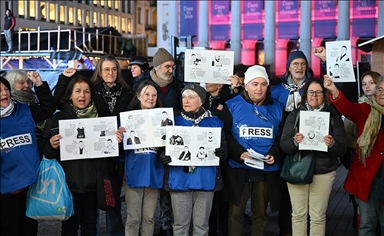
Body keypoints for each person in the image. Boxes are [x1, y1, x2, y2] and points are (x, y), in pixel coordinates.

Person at [54, 56, 133, 236]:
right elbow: (59, 102)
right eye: (106, 69)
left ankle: (114, 233)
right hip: (95, 155)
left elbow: (133, 118)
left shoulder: (127, 93)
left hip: (118, 153)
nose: (110, 73)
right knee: (92, 204)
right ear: (100, 71)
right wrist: (64, 78)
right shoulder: (92, 91)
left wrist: (126, 130)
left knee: (112, 200)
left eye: (114, 69)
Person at [220, 65, 284, 236]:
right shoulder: (231, 105)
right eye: (254, 84)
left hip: (265, 170)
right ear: (246, 85)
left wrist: (275, 153)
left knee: (260, 215)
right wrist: (238, 152)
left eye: (263, 84)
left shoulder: (278, 107)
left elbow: (282, 136)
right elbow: (224, 134)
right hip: (238, 168)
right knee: (235, 213)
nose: (259, 88)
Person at [280, 79, 347, 236]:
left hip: (324, 171)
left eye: (318, 92)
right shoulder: (295, 115)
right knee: (298, 215)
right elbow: (283, 145)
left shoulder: (333, 117)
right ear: (305, 95)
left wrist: (332, 144)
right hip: (297, 169)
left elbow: (342, 149)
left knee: (318, 217)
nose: (314, 95)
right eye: (311, 92)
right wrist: (294, 142)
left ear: (324, 95)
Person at [42, 75, 107, 235]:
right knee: (69, 228)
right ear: (70, 94)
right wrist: (51, 145)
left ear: (91, 94)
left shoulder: (101, 118)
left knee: (90, 226)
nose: (82, 95)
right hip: (68, 185)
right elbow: (44, 150)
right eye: (77, 91)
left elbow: (109, 151)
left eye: (86, 91)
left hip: (93, 185)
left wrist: (116, 140)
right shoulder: (58, 119)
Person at [160, 84, 228, 236]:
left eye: (191, 97)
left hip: (205, 179)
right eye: (184, 97)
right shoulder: (173, 122)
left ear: (201, 101)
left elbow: (224, 152)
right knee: (180, 226)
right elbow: (163, 149)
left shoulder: (214, 122)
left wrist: (221, 153)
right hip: (179, 179)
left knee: (202, 227)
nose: (186, 100)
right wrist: (163, 157)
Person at [324, 74, 384, 236]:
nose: (382, 93)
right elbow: (348, 108)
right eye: (379, 89)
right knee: (367, 224)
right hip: (368, 180)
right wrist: (334, 91)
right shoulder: (366, 110)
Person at [133, 48, 184, 236]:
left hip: (168, 141)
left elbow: (183, 108)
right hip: (146, 143)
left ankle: (165, 225)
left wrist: (172, 117)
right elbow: (133, 109)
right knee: (147, 188)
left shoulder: (178, 86)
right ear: (156, 67)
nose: (171, 69)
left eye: (172, 66)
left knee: (166, 186)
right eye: (167, 66)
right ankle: (143, 224)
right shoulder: (140, 84)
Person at [0, 75, 54, 236]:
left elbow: (48, 108)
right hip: (7, 192)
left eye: (6, 89)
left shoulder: (24, 109)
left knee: (29, 230)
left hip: (32, 186)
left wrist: (39, 84)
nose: (4, 93)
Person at [116, 80, 165, 236]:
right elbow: (119, 151)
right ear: (138, 96)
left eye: (154, 95)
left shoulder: (163, 119)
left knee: (149, 218)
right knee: (133, 218)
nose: (151, 98)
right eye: (147, 94)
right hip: (134, 172)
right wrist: (118, 139)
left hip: (154, 172)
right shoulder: (126, 120)